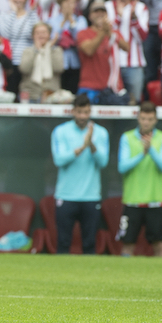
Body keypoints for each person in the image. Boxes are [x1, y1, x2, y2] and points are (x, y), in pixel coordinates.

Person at [51, 93, 109, 254]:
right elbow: (59, 160)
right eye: (79, 112)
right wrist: (81, 148)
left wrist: (91, 144)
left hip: (91, 197)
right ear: (73, 112)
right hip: (66, 195)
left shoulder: (100, 133)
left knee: (90, 245)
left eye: (86, 112)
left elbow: (103, 162)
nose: (83, 116)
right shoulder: (60, 131)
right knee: (63, 243)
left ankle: (89, 279)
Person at [117, 101, 162, 257]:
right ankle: (122, 279)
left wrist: (151, 150)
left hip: (155, 199)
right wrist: (142, 154)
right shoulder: (127, 138)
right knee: (127, 244)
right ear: (138, 118)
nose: (146, 122)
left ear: (155, 120)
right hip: (132, 199)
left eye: (150, 119)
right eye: (143, 118)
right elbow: (122, 167)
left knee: (159, 244)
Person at [105, 0, 149, 103]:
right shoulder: (107, 7)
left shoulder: (141, 7)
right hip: (111, 63)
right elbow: (106, 33)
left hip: (134, 64)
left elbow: (143, 37)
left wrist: (133, 18)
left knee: (134, 102)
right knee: (112, 102)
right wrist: (119, 17)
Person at [77, 0, 127, 102]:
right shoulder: (83, 33)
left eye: (103, 12)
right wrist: (103, 32)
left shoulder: (113, 32)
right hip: (89, 86)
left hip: (112, 87)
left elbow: (127, 48)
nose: (99, 14)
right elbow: (89, 50)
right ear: (90, 16)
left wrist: (111, 34)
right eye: (96, 12)